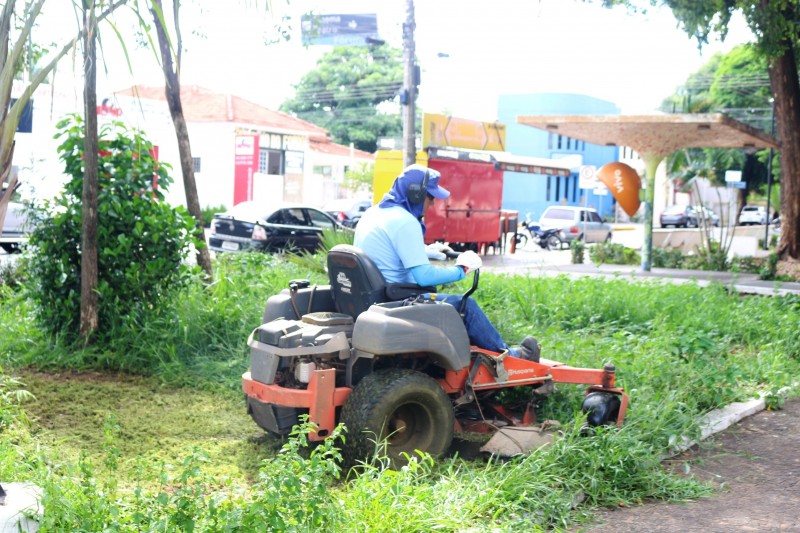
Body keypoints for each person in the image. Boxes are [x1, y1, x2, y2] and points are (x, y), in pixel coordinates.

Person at [354, 164, 539, 360]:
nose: (432, 203)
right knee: (466, 306)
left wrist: (429, 251)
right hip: (397, 300)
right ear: (416, 195)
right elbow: (424, 277)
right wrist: (461, 269)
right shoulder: (405, 221)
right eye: (431, 197)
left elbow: (388, 248)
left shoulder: (373, 214)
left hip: (376, 296)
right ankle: (512, 356)